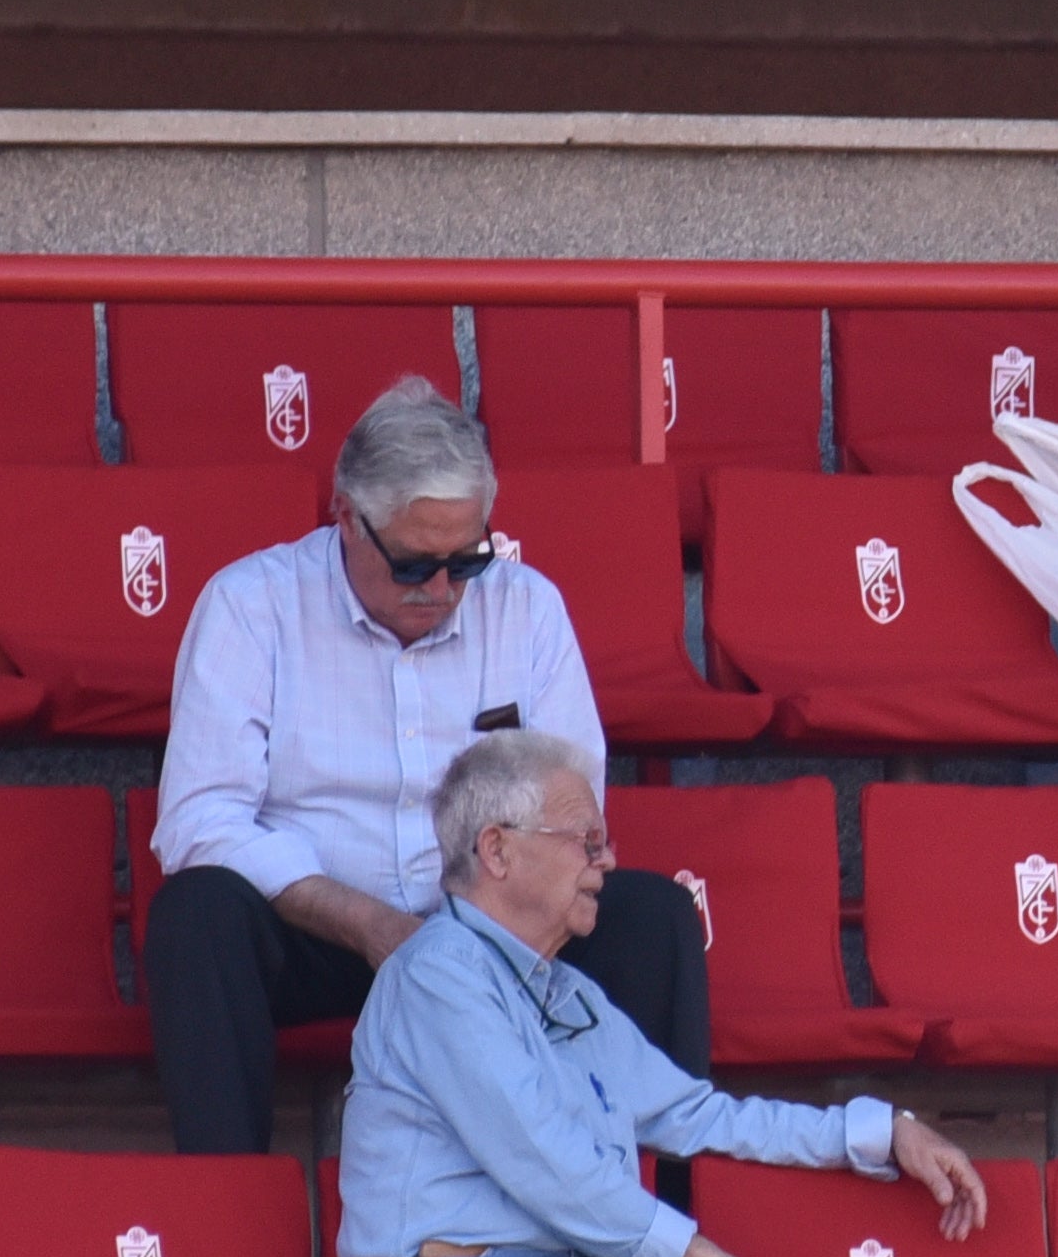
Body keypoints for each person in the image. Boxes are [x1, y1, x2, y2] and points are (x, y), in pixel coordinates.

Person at [338, 730, 988, 1257]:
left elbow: (700, 1114)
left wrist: (879, 1130)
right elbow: (548, 1162)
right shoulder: (436, 973)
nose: (604, 861)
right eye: (586, 840)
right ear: (497, 850)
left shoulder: (569, 993)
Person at [147, 376, 709, 1154]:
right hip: (319, 926)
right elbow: (198, 819)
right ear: (346, 517)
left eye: (466, 561)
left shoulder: (526, 606)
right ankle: (226, 1207)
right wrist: (371, 924)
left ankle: (655, 1220)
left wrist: (479, 927)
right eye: (414, 565)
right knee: (196, 915)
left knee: (653, 921)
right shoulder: (252, 605)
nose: (444, 590)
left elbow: (573, 806)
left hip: (492, 926)